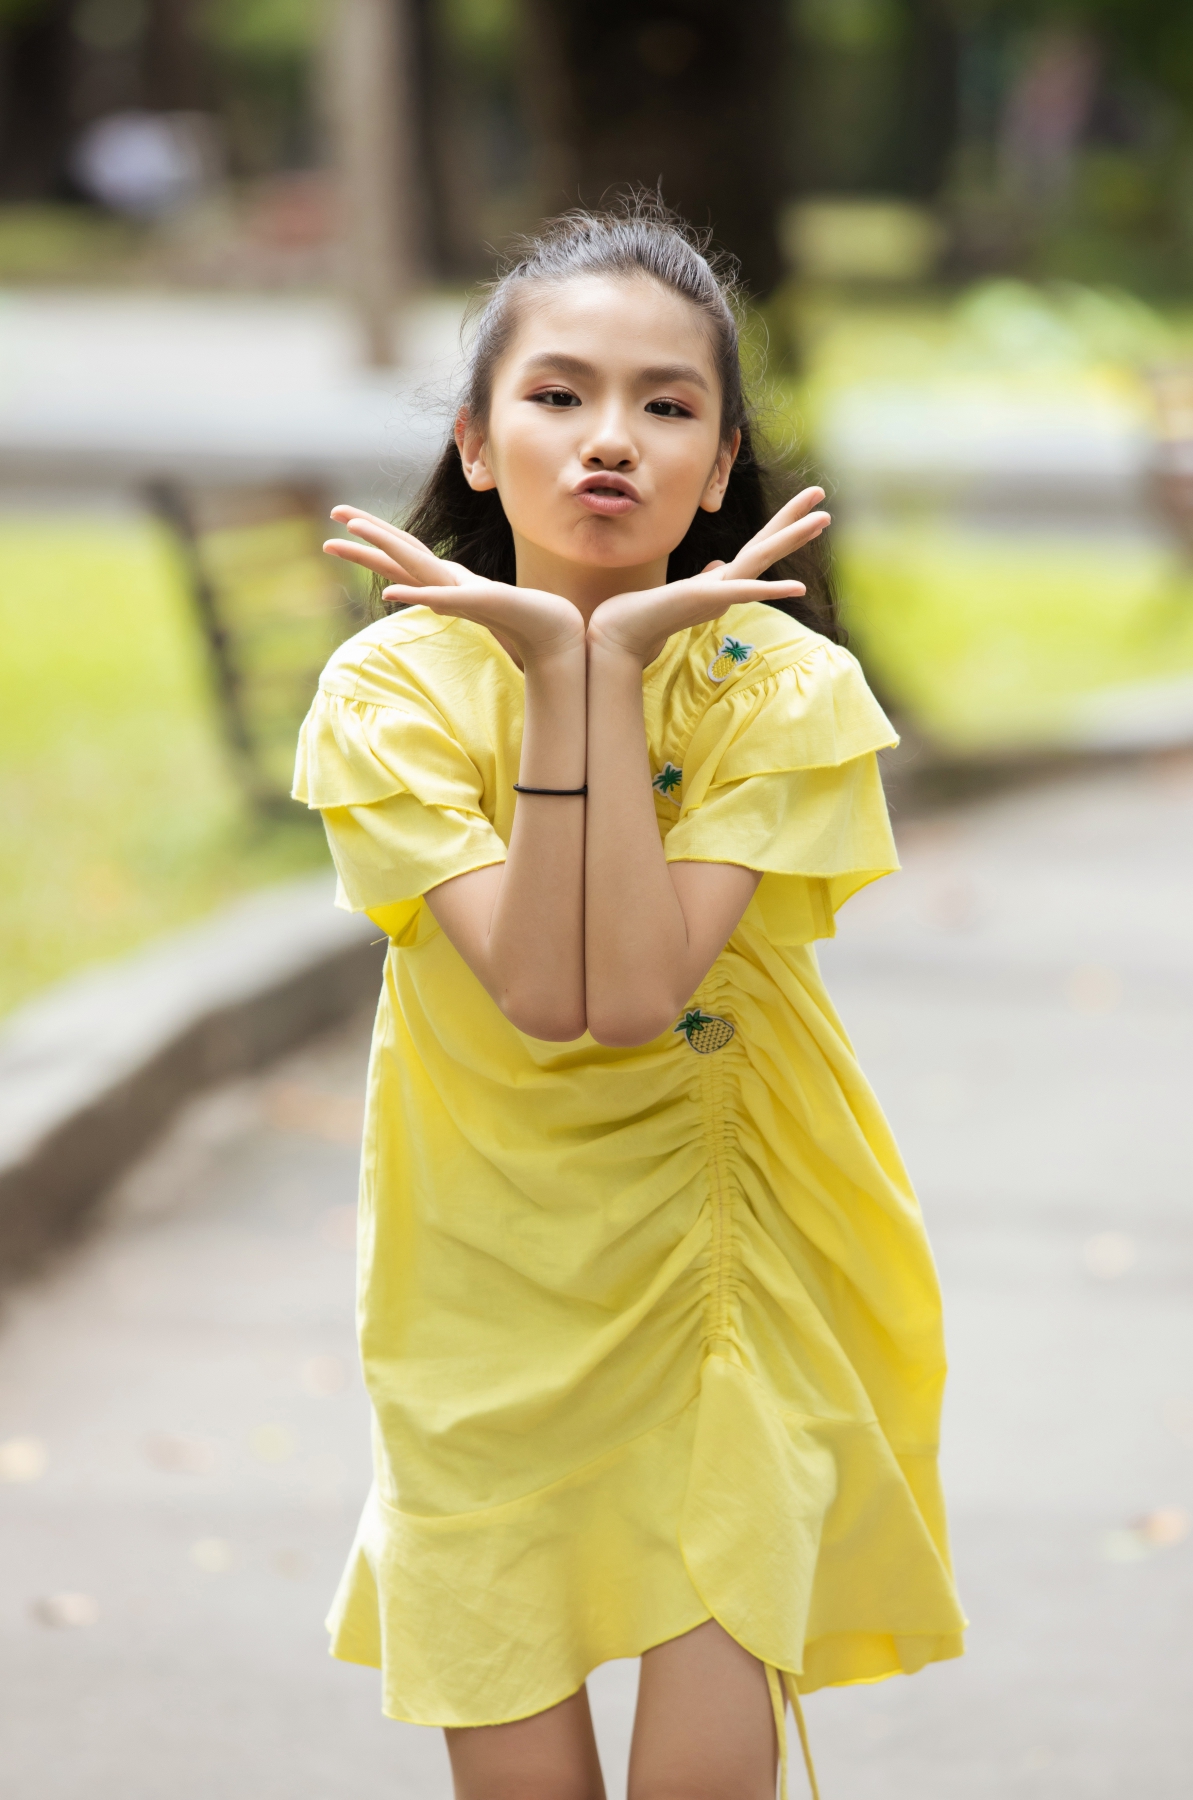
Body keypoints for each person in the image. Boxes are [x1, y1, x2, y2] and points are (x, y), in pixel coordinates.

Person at [294, 197, 965, 1800]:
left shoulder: (774, 683)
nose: (612, 438)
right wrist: (565, 670)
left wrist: (593, 670)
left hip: (726, 1253)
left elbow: (639, 992)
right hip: (480, 1268)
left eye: (667, 407)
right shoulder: (388, 693)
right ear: (474, 443)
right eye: (559, 394)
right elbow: (540, 990)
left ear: (721, 467)